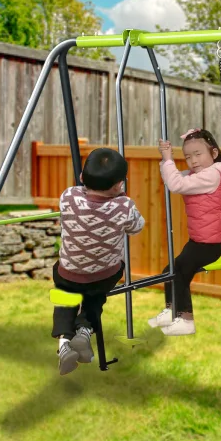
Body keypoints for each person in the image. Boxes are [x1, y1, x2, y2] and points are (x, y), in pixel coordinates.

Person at [53, 147, 146, 375]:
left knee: (65, 298)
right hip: (103, 274)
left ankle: (64, 345)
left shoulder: (67, 196)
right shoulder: (124, 206)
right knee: (95, 296)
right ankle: (84, 330)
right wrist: (121, 199)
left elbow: (73, 205)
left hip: (69, 272)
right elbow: (137, 227)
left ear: (82, 177)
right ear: (118, 184)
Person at [149, 128, 221, 336]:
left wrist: (168, 159)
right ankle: (172, 310)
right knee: (169, 270)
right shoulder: (200, 174)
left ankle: (186, 319)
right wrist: (167, 161)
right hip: (198, 241)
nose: (193, 160)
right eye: (188, 156)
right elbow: (172, 178)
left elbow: (175, 184)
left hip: (208, 245)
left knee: (179, 272)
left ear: (214, 154)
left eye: (198, 154)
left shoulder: (211, 176)